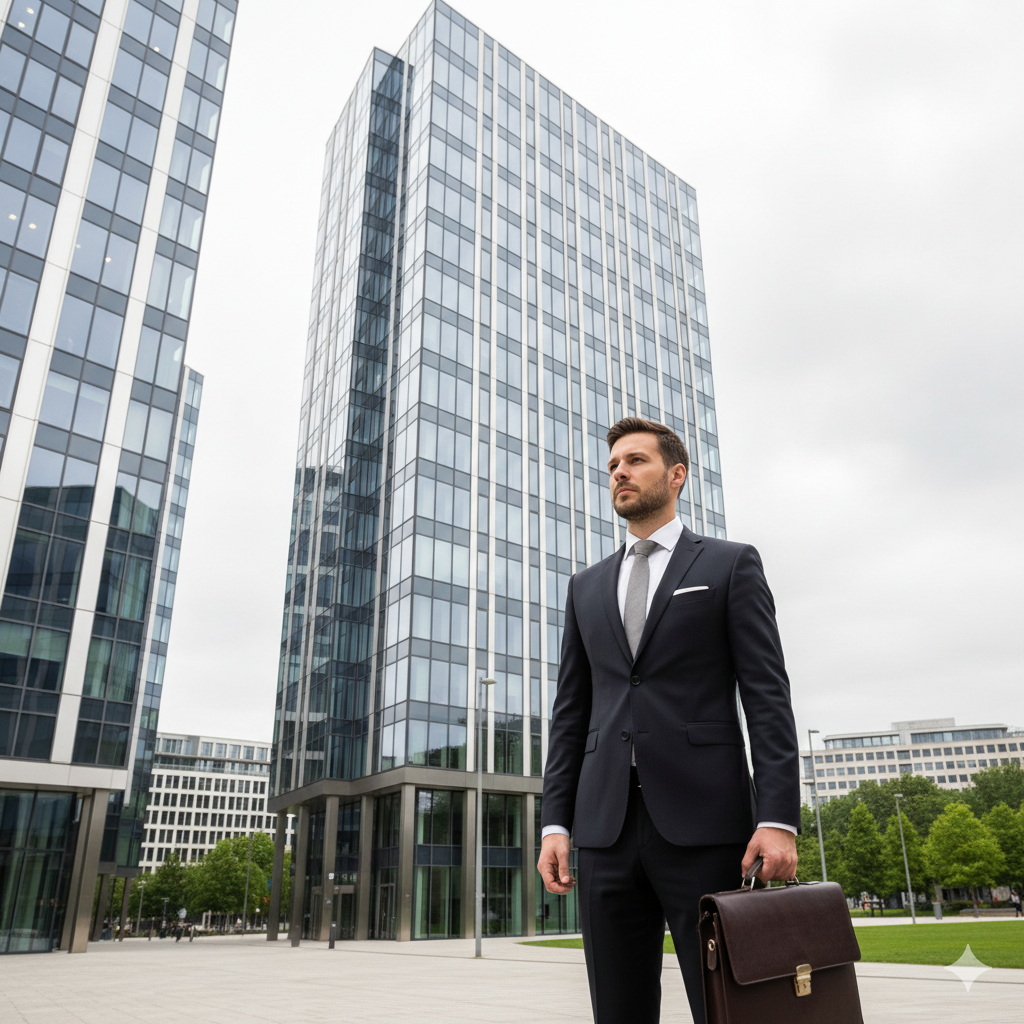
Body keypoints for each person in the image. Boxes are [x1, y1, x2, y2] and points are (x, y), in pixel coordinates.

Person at [538, 418, 800, 1024]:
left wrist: (778, 817)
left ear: (676, 475)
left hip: (707, 829)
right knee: (617, 1009)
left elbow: (767, 697)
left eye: (635, 461)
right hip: (603, 831)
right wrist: (556, 822)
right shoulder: (585, 586)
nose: (619, 473)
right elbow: (570, 714)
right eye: (612, 467)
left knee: (729, 1008)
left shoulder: (731, 565)